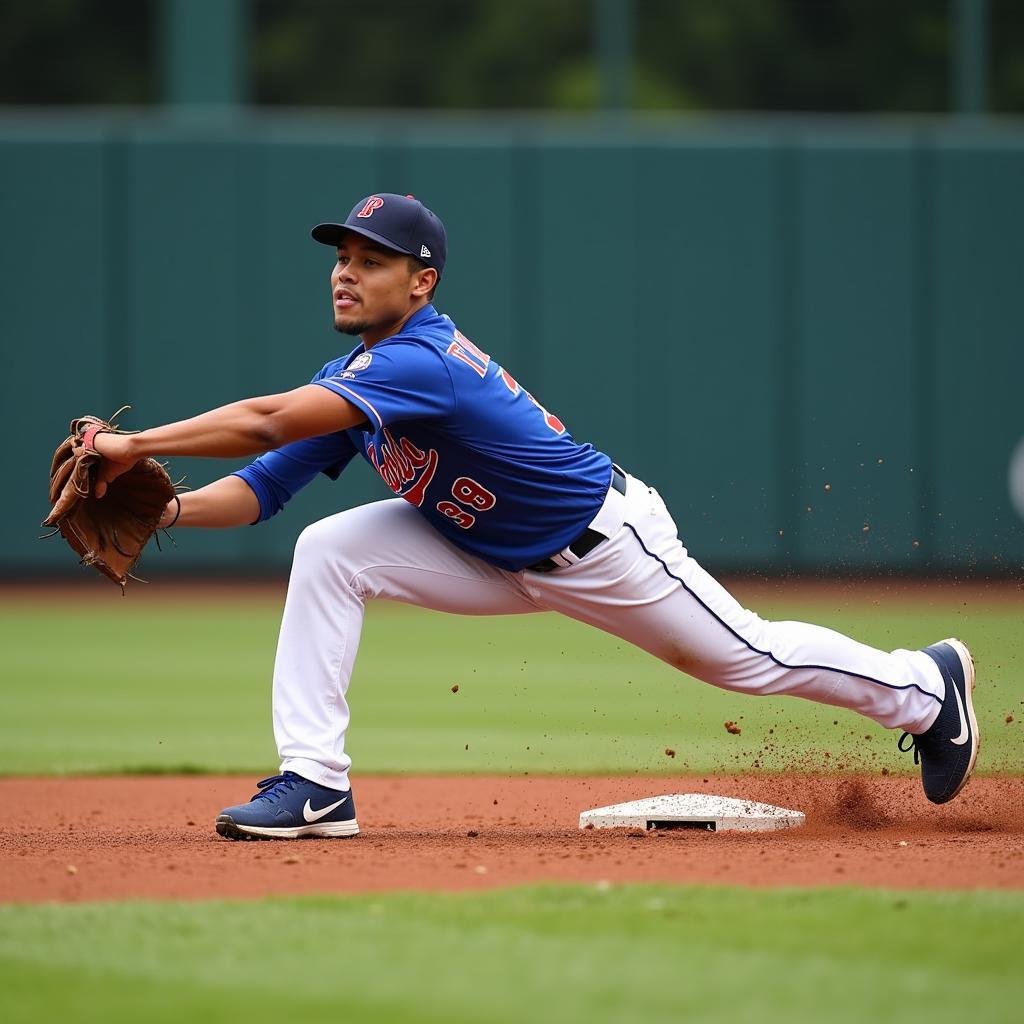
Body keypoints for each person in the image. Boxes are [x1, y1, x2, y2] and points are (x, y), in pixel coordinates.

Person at [91, 193, 980, 840]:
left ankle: (925, 688)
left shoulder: (421, 361)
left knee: (742, 658)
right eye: (341, 257)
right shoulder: (361, 383)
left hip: (603, 545)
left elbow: (270, 419)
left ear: (421, 280)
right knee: (329, 547)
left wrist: (134, 447)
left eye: (370, 260)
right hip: (486, 552)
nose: (345, 272)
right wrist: (167, 504)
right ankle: (315, 783)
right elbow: (262, 487)